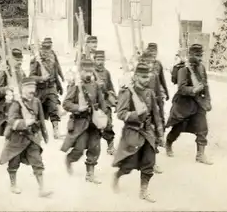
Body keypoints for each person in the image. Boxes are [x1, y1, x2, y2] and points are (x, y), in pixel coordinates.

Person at [112, 62, 163, 203]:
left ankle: (143, 191)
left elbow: (156, 114)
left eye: (147, 77)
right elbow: (120, 114)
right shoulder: (126, 92)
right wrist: (136, 114)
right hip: (133, 131)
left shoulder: (149, 92)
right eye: (143, 77)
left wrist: (160, 132)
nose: (146, 79)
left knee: (149, 161)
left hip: (147, 131)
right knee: (129, 163)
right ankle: (118, 175)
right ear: (135, 77)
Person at [0, 77, 52, 197]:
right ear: (22, 89)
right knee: (14, 162)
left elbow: (41, 118)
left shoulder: (36, 101)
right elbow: (11, 120)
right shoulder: (16, 103)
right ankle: (13, 185)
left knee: (37, 161)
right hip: (17, 138)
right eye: (29, 88)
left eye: (33, 87)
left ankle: (42, 189)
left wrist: (43, 133)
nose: (32, 90)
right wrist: (24, 123)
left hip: (32, 137)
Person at [164, 44, 213, 165]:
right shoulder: (183, 69)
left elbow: (205, 85)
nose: (200, 58)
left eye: (201, 55)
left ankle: (200, 155)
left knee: (202, 128)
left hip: (199, 104)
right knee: (178, 128)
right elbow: (181, 88)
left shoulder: (201, 67)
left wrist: (208, 101)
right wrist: (193, 90)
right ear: (190, 55)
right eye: (197, 55)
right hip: (184, 105)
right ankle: (168, 143)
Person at [60, 58, 106, 184]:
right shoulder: (76, 86)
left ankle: (90, 174)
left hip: (94, 122)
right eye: (86, 71)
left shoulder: (95, 86)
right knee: (79, 148)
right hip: (80, 122)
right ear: (80, 72)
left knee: (94, 148)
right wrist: (78, 108)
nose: (88, 74)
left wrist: (103, 118)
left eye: (90, 72)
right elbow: (66, 103)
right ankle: (70, 159)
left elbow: (102, 103)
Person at [30, 40, 64, 139]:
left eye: (49, 49)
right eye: (45, 49)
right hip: (40, 89)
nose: (47, 52)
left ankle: (56, 130)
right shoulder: (36, 59)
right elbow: (31, 76)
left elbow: (55, 70)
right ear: (41, 49)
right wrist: (41, 79)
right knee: (37, 111)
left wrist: (59, 84)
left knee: (54, 107)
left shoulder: (52, 55)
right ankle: (38, 131)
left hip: (51, 87)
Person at [0, 48, 26, 137]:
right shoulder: (3, 71)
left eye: (21, 60)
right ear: (11, 60)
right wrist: (8, 88)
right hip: (7, 106)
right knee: (10, 132)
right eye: (17, 60)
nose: (20, 62)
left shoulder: (20, 71)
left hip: (19, 104)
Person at [93, 50, 117, 155]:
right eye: (98, 59)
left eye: (102, 59)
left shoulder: (106, 72)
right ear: (94, 60)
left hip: (105, 102)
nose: (100, 61)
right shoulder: (90, 72)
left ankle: (110, 146)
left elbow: (111, 87)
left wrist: (115, 99)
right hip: (94, 103)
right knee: (94, 127)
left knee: (108, 124)